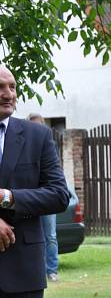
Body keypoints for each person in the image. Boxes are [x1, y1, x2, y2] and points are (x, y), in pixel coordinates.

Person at [0, 66, 69, 298]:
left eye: (12, 86)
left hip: (22, 271)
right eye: (0, 87)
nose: (8, 93)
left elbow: (58, 194)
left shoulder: (38, 136)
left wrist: (9, 198)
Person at [27, 113, 60, 283]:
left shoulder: (49, 146)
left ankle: (52, 270)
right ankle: (35, 269)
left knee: (50, 236)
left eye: (40, 126)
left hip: (46, 200)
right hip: (28, 200)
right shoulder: (23, 147)